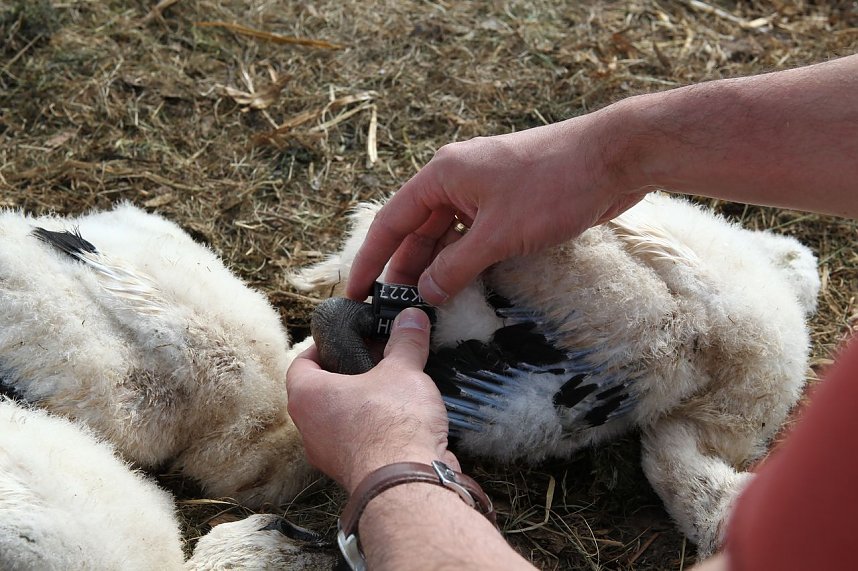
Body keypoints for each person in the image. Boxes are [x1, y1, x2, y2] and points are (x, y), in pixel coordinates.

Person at [286, 54, 858, 570]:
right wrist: (605, 153)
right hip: (475, 283)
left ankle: (392, 341)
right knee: (661, 343)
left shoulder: (750, 348)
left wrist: (389, 457)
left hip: (448, 279)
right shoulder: (736, 357)